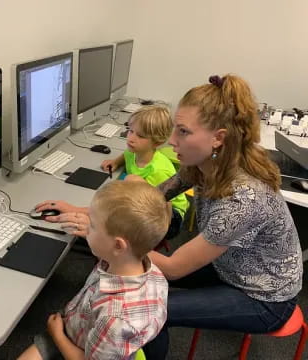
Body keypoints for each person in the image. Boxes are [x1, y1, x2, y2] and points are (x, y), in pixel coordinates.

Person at [37, 74, 303, 359]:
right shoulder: (201, 165)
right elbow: (142, 201)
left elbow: (175, 268)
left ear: (218, 138)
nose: (172, 141)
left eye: (183, 132)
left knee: (151, 313)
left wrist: (100, 233)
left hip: (264, 297)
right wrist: (81, 212)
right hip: (231, 266)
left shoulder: (241, 200)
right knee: (139, 285)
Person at [18, 181, 171, 360]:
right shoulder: (147, 272)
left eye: (92, 225)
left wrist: (57, 335)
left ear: (118, 245)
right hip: (82, 327)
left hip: (74, 344)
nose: (85, 227)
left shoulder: (114, 320)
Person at [101, 105, 189, 238]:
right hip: (151, 201)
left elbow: (164, 205)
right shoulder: (135, 151)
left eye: (140, 136)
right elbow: (126, 155)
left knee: (122, 197)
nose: (131, 138)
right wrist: (115, 162)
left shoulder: (158, 171)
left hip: (170, 216)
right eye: (130, 131)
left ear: (156, 142)